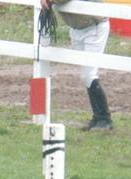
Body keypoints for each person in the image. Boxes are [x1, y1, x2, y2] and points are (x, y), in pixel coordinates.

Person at [42, 0, 113, 130]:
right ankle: (98, 117)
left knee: (88, 74)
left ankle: (104, 118)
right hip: (78, 28)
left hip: (94, 27)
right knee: (86, 75)